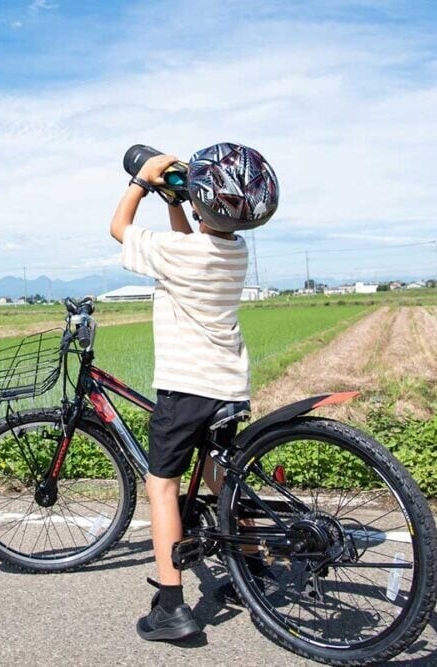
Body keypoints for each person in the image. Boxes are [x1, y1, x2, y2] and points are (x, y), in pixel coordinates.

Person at [109, 142, 279, 641]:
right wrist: (175, 203)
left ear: (204, 202)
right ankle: (253, 567)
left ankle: (171, 606)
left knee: (161, 484)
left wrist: (142, 181)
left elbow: (118, 229)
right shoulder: (234, 250)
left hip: (186, 389)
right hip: (227, 386)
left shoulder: (177, 253)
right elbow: (193, 242)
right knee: (216, 470)